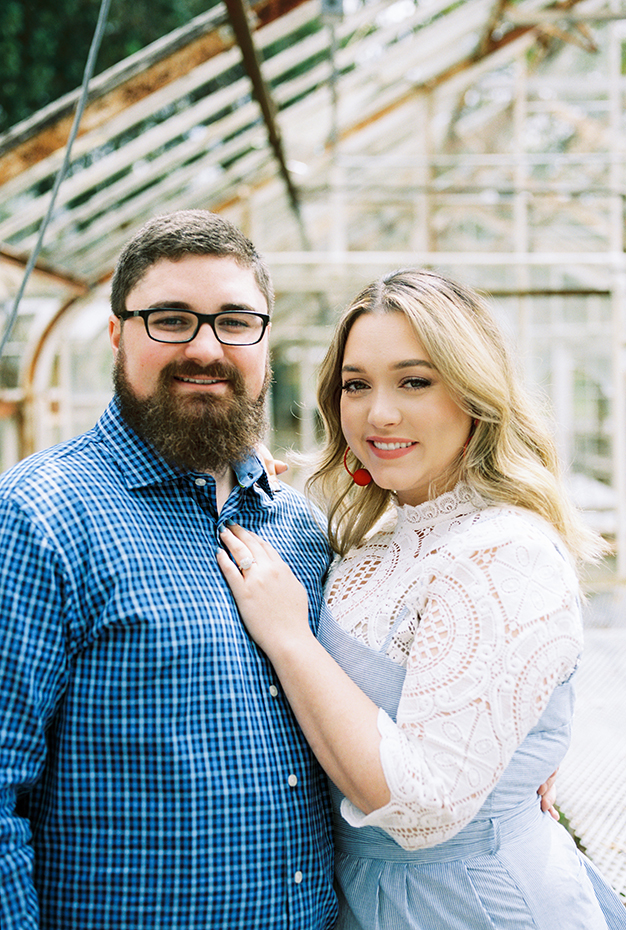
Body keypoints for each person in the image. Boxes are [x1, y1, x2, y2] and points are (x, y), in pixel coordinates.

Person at [218, 269, 626, 929]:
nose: (378, 413)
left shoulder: (507, 553)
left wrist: (290, 638)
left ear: (474, 393)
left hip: (468, 905)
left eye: (415, 381)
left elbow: (427, 806)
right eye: (357, 385)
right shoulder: (377, 538)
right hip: (365, 894)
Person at [0, 210, 338, 928]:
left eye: (236, 321)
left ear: (265, 337)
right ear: (119, 333)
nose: (207, 348)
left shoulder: (300, 530)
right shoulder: (40, 520)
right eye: (172, 320)